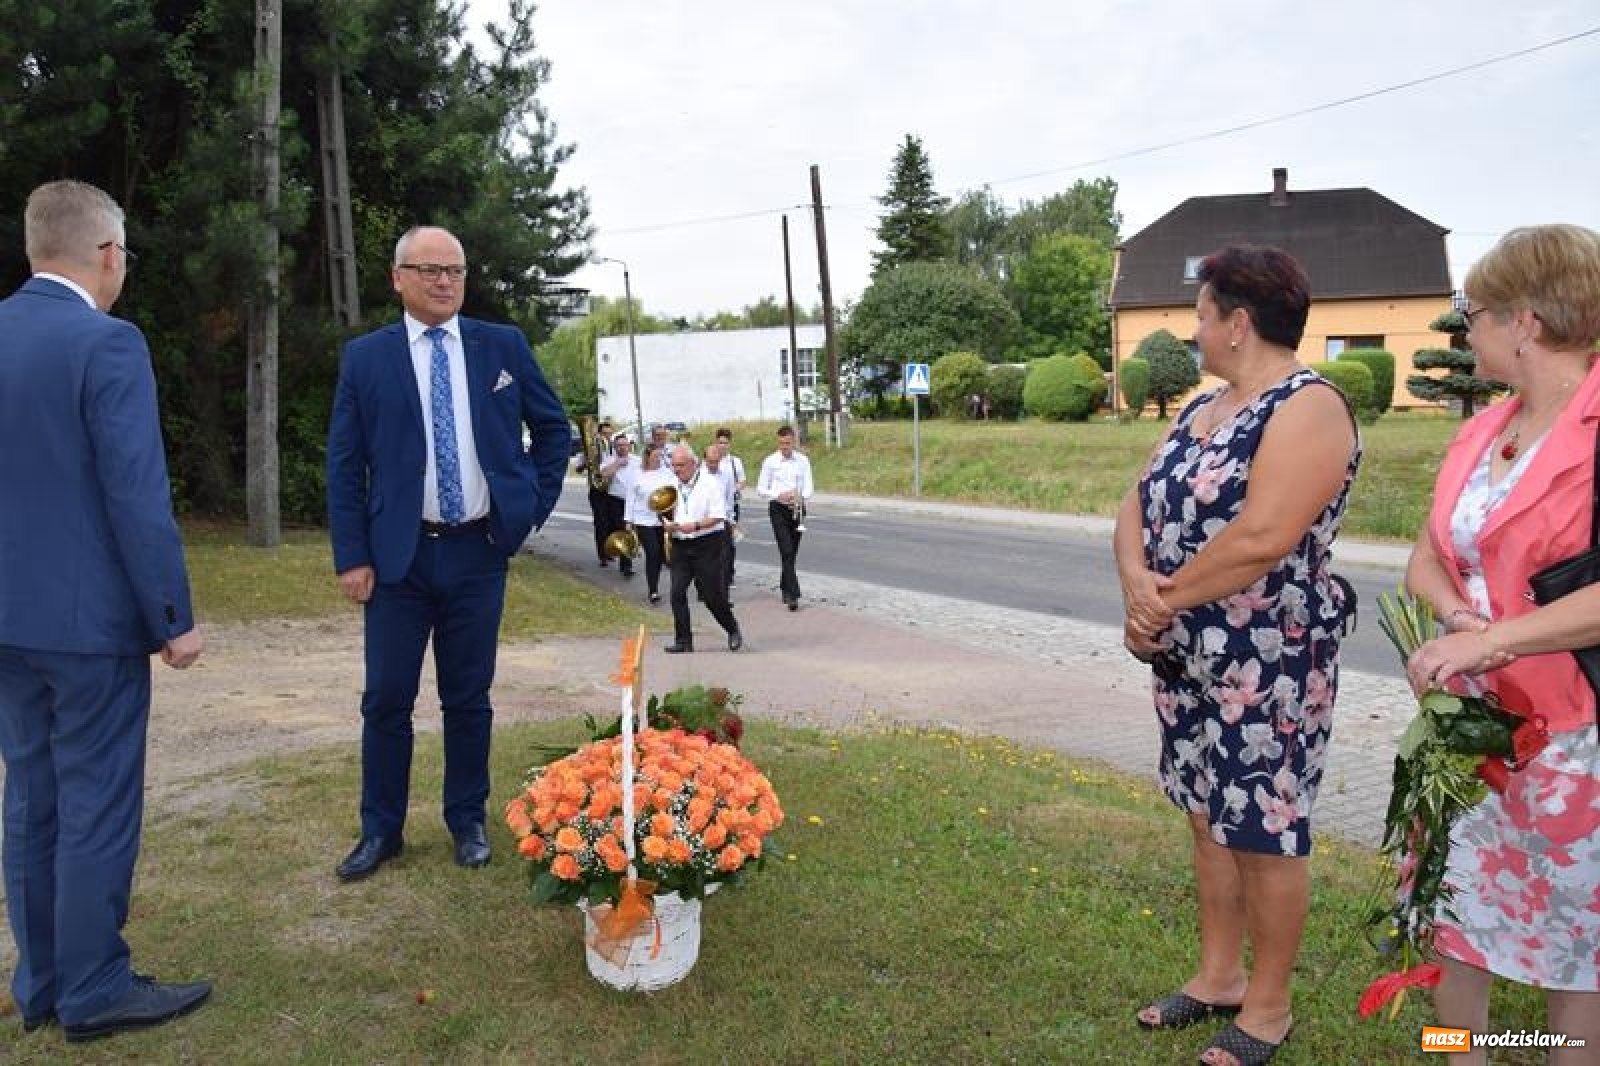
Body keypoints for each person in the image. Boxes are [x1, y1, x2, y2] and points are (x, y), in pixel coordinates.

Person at [1112, 244, 1360, 1066]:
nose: (1193, 331)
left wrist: (1161, 599)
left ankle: (1269, 1006)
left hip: (1272, 658)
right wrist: (1137, 588)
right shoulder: (1202, 408)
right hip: (1186, 651)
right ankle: (1219, 977)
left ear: (1238, 323)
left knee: (1264, 827)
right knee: (1206, 814)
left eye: (1201, 316)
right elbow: (1136, 502)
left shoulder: (1310, 405)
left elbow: (1264, 536)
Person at [0, 180, 212, 1041]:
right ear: (109, 255)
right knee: (94, 802)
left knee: (31, 795)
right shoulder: (107, 342)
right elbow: (136, 494)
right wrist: (172, 615)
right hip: (88, 628)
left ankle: (41, 982)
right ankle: (92, 988)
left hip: (8, 620)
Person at [1399, 224, 1600, 1064]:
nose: (1464, 330)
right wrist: (1457, 622)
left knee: (1576, 953)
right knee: (1453, 922)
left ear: (1526, 321)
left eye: (1473, 314)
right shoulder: (1483, 430)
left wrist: (1496, 643)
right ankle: (1461, 1055)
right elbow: (1424, 557)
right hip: (1467, 734)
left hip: (1574, 743)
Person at [326, 225, 569, 882]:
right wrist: (352, 555)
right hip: (398, 560)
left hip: (477, 552)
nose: (443, 282)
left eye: (454, 271)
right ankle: (382, 829)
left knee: (468, 697)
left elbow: (553, 431)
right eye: (429, 270)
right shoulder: (366, 359)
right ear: (398, 278)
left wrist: (528, 507)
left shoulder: (502, 346)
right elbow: (344, 465)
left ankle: (467, 820)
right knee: (387, 699)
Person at [661, 445, 743, 654]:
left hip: (707, 543)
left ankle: (732, 628)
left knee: (711, 595)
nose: (676, 470)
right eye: (674, 465)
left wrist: (696, 525)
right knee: (677, 593)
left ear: (693, 464)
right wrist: (666, 522)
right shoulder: (671, 484)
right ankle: (683, 641)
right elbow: (663, 509)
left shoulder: (710, 483)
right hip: (681, 543)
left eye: (680, 465)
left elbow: (718, 516)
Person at [758, 425, 814, 611]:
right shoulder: (770, 462)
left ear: (794, 442)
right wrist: (778, 495)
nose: (784, 447)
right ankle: (793, 594)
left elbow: (809, 486)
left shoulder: (803, 461)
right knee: (787, 550)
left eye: (788, 443)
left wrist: (800, 496)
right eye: (781, 443)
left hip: (797, 508)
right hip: (778, 509)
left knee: (791, 553)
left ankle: (784, 586)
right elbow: (761, 489)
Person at [626, 442, 674, 604]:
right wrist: (628, 520)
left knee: (660, 554)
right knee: (652, 552)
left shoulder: (666, 473)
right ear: (647, 457)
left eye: (660, 456)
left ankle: (655, 583)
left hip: (661, 519)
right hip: (642, 519)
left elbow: (674, 491)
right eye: (656, 456)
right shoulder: (637, 473)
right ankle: (653, 590)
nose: (659, 459)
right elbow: (630, 497)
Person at [600, 432, 637, 578]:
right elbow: (603, 474)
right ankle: (624, 563)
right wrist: (617, 464)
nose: (622, 448)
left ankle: (627, 562)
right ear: (614, 447)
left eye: (624, 445)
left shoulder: (637, 460)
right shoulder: (609, 460)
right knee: (620, 530)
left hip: (632, 501)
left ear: (629, 446)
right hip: (615, 500)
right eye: (619, 445)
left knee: (629, 531)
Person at [703, 443, 737, 597]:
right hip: (704, 522)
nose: (713, 465)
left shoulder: (727, 474)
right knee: (706, 559)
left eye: (716, 462)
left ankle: (724, 595)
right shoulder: (698, 475)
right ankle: (704, 588)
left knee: (725, 559)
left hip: (722, 521)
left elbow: (729, 498)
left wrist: (731, 520)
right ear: (705, 460)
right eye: (711, 462)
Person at [581, 419, 616, 567]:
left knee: (612, 523)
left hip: (613, 490)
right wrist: (587, 462)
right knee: (601, 523)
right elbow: (579, 468)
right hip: (597, 490)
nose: (607, 437)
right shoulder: (591, 448)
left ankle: (609, 550)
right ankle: (602, 555)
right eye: (604, 434)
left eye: (609, 434)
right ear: (599, 434)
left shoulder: (615, 447)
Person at [715, 427, 747, 589]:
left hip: (731, 505)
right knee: (715, 541)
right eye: (720, 442)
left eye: (725, 443)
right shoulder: (711, 460)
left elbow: (742, 481)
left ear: (729, 444)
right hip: (714, 507)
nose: (723, 445)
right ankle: (717, 574)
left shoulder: (735, 462)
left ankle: (729, 574)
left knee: (730, 541)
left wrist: (734, 488)